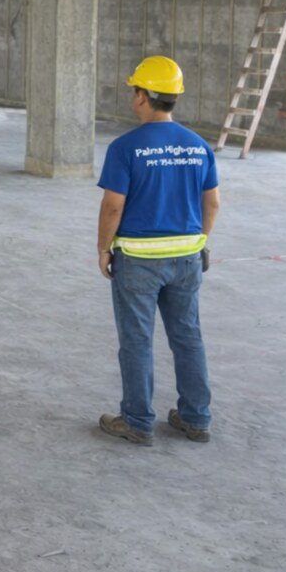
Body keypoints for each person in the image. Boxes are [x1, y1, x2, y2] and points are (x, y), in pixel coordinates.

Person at [97, 55, 221, 445]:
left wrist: (103, 248)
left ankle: (137, 420)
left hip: (138, 260)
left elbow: (113, 205)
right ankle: (196, 418)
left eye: (135, 90)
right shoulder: (198, 146)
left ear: (142, 97)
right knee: (188, 337)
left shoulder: (125, 148)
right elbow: (213, 203)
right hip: (186, 258)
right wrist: (200, 240)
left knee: (137, 341)